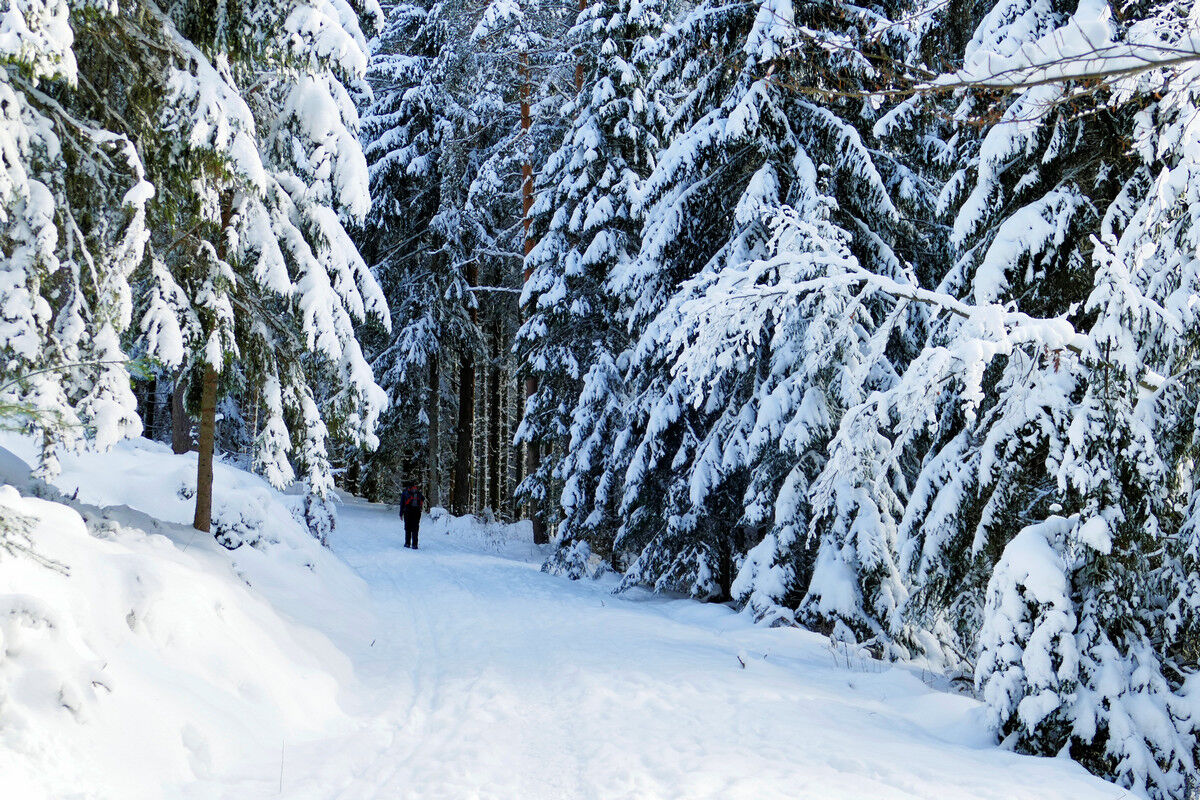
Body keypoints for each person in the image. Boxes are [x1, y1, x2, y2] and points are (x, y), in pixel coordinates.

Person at [399, 481, 425, 549]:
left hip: (407, 511)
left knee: (407, 527)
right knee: (415, 528)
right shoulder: (418, 492)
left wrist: (401, 513)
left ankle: (407, 543)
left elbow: (402, 503)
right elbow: (422, 498)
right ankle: (415, 544)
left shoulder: (405, 492)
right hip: (417, 512)